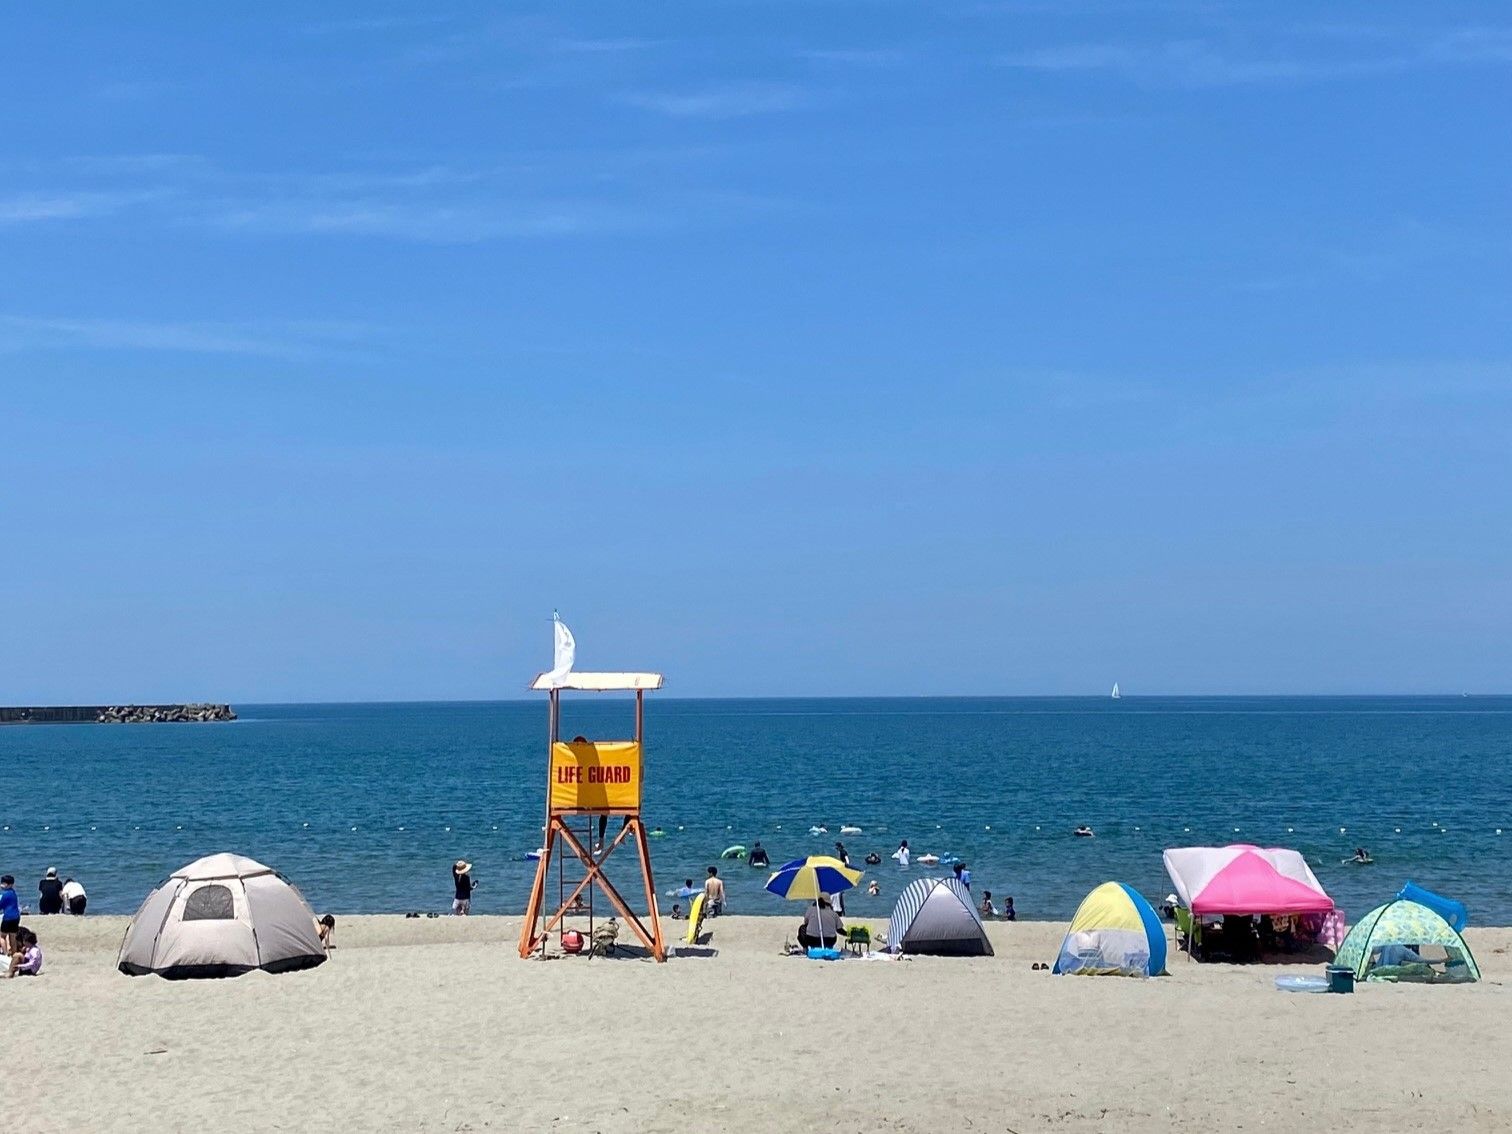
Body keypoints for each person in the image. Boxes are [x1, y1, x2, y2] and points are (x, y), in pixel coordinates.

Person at [0, 876, 20, 954]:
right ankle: (14, 953)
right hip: (16, 917)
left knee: (2, 937)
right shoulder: (13, 893)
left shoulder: (5, 895)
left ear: (8, 885)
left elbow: (1, 906)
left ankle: (5, 953)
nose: (1, 885)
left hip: (8, 918)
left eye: (3, 883)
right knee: (12, 936)